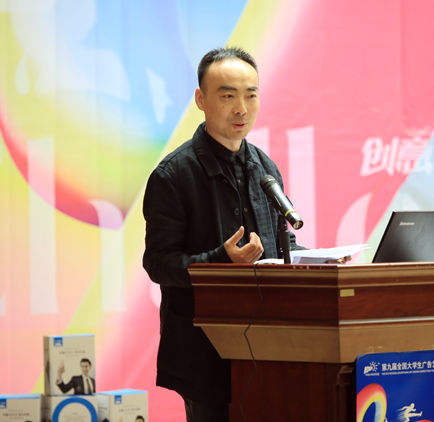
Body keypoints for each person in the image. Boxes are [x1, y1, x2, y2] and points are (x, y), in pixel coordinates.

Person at [142, 47, 304, 421]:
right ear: (201, 100)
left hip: (269, 344)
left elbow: (284, 243)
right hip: (204, 351)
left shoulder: (264, 168)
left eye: (251, 95)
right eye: (228, 96)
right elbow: (159, 264)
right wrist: (221, 260)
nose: (241, 109)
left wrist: (320, 260)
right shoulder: (173, 175)